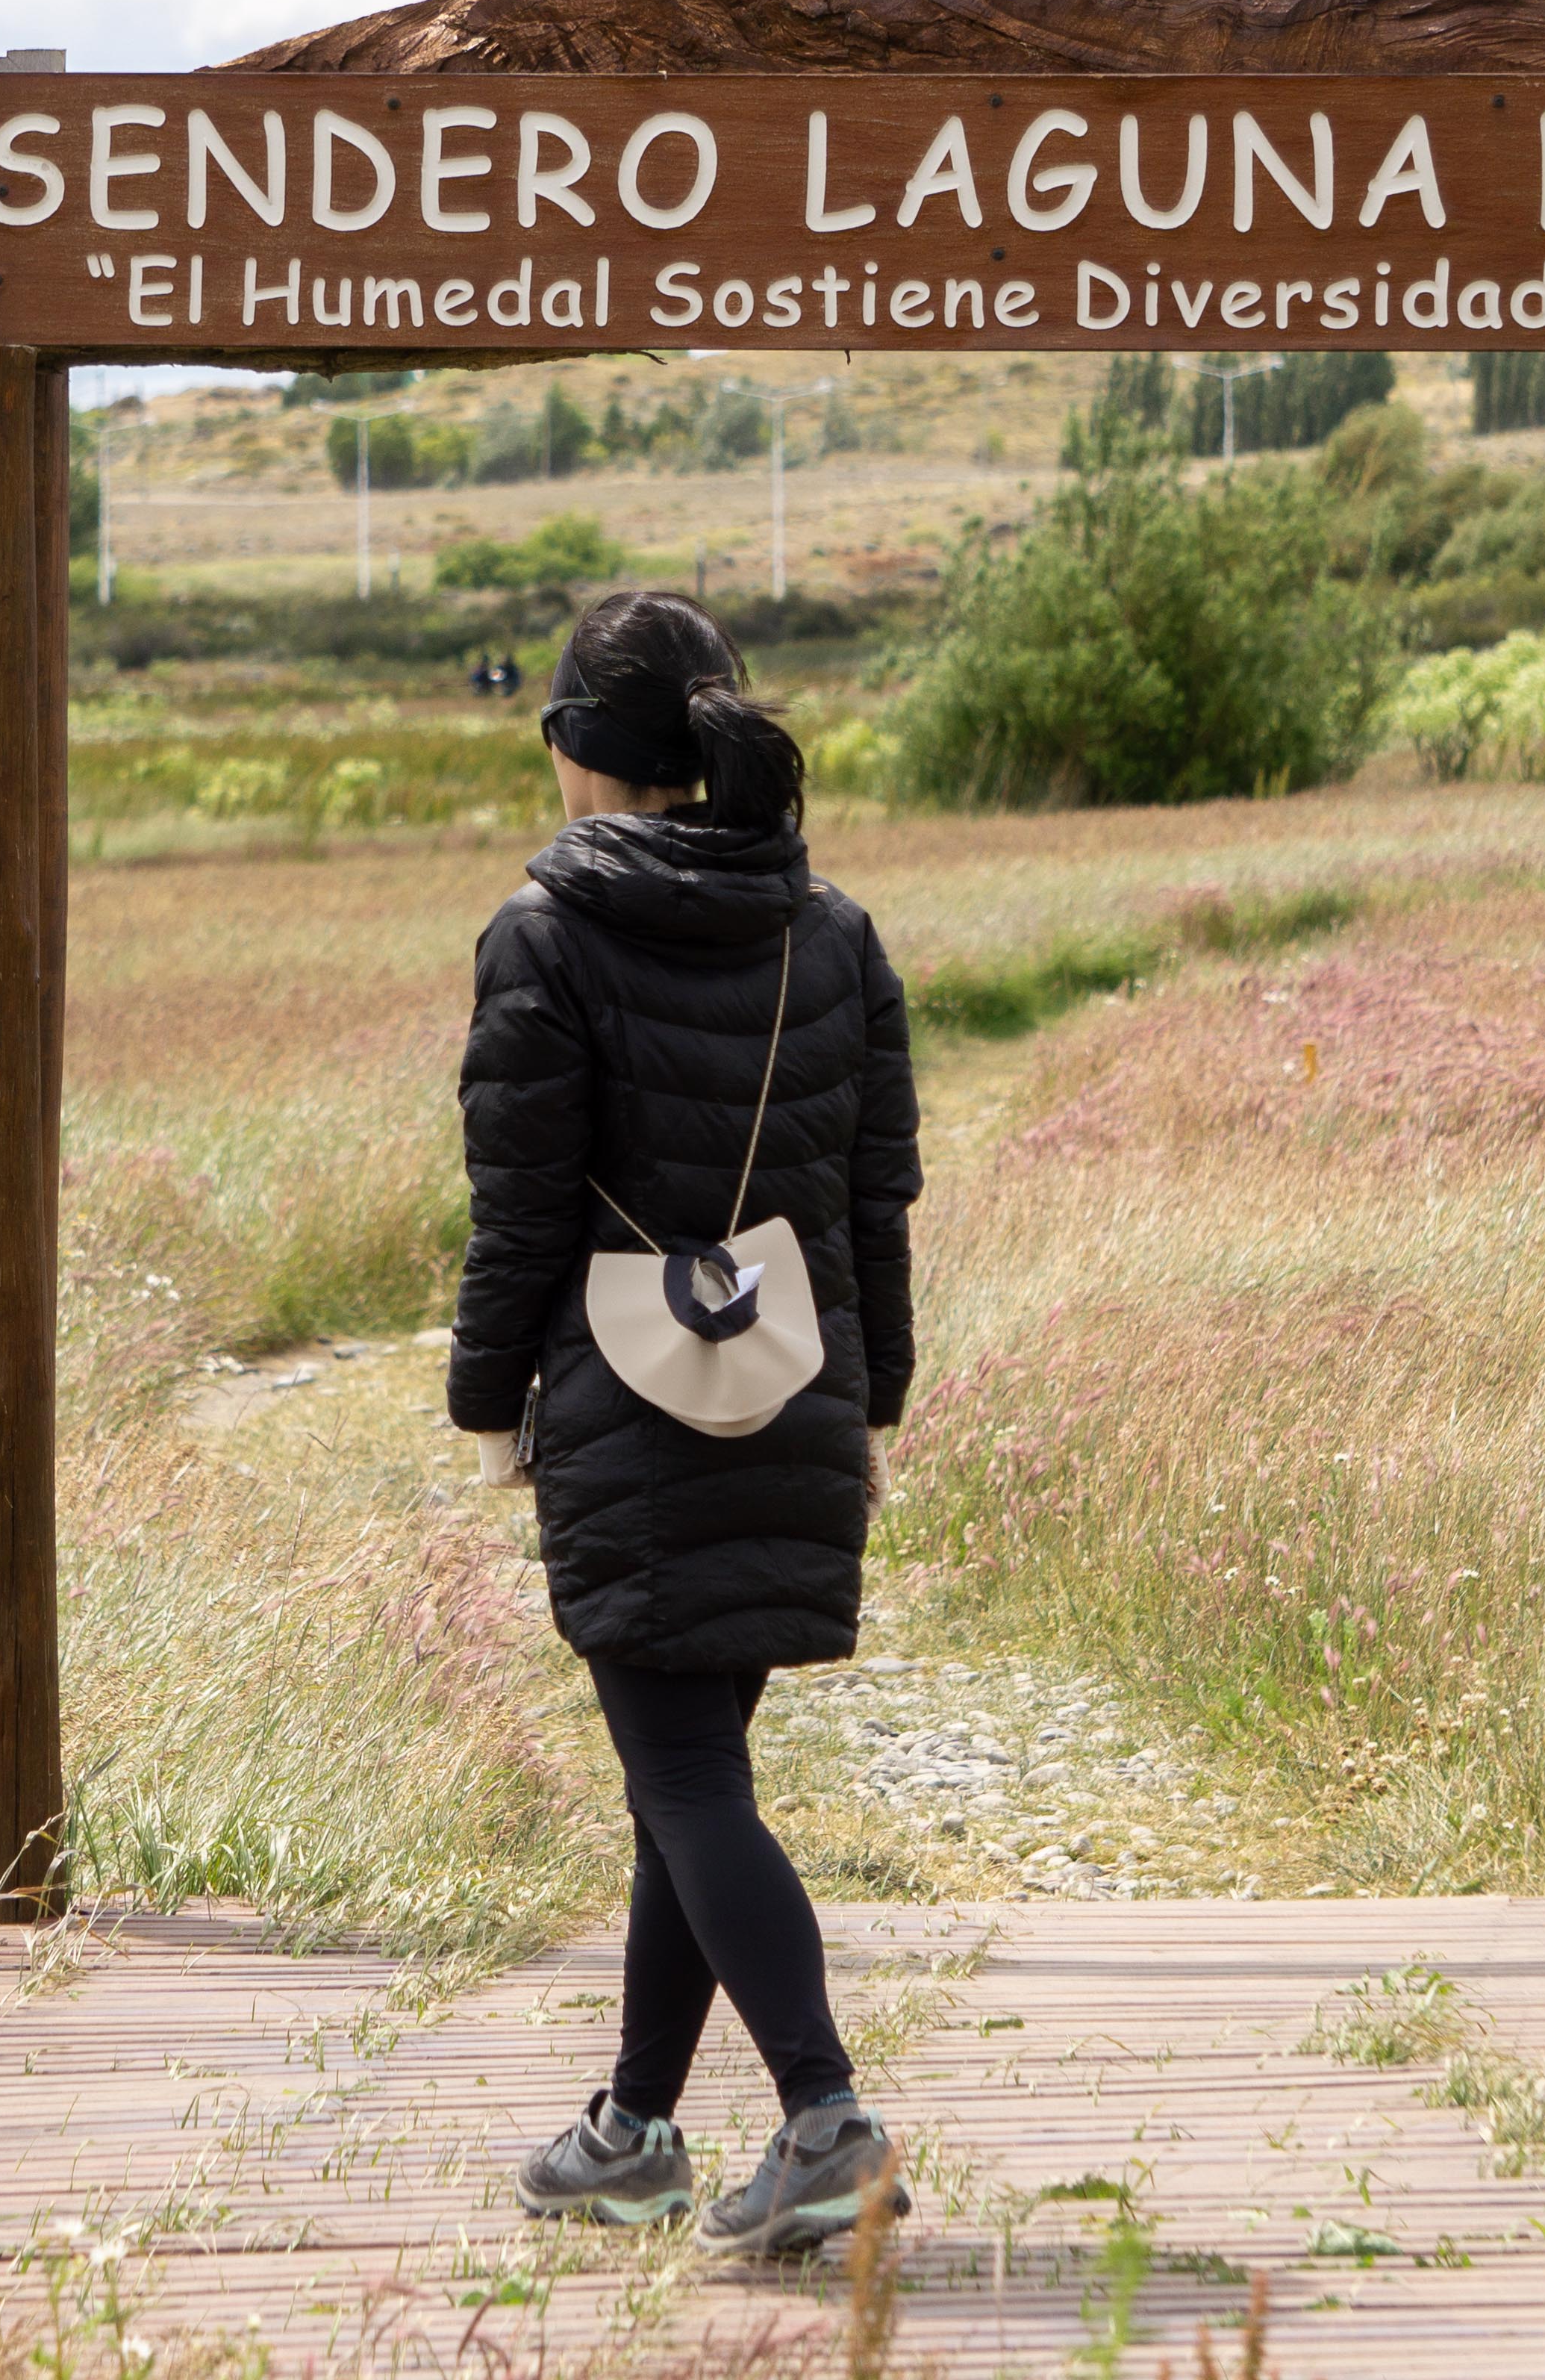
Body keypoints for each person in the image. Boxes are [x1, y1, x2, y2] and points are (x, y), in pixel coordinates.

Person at [449, 588, 923, 2256]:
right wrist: (877, 1393)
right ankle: (638, 2130)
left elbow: (517, 1215)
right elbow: (879, 1200)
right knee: (692, 1777)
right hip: (801, 1386)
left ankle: (826, 2117)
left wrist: (483, 1401)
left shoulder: (545, 933)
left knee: (688, 1783)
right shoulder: (837, 930)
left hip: (625, 1407)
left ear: (580, 746)